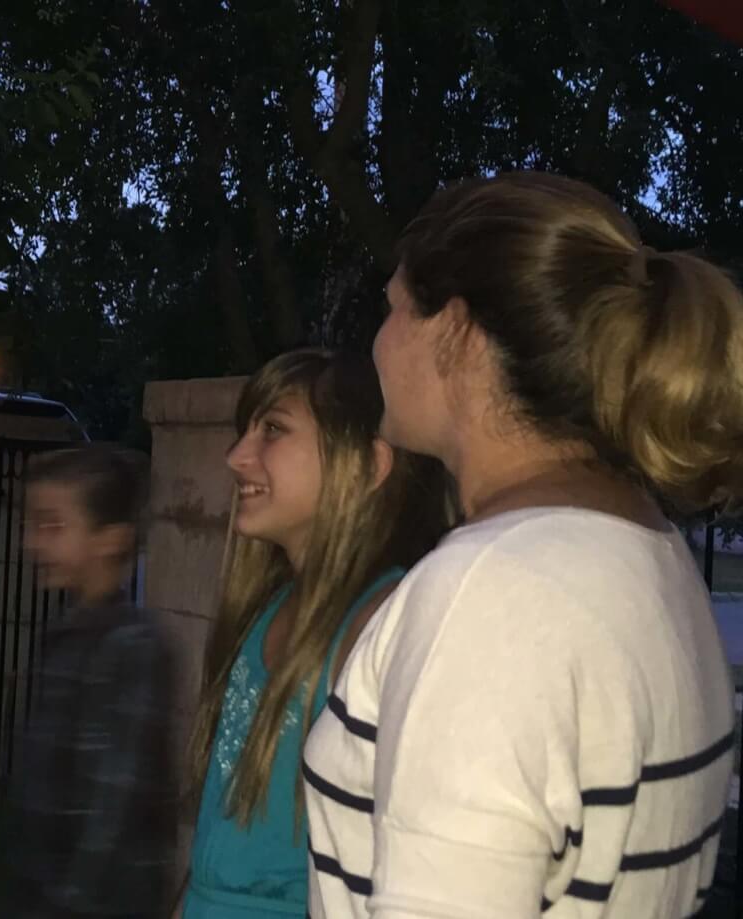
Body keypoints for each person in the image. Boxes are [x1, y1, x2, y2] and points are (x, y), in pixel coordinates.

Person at [304, 171, 743, 918]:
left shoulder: (489, 594)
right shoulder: (650, 554)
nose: (376, 342)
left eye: (395, 308)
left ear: (458, 334)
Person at [177, 350, 453, 918]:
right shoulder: (266, 609)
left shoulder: (378, 624)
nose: (236, 457)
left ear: (369, 465)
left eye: (272, 429)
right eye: (245, 431)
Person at [0, 444, 179, 918]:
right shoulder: (66, 635)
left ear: (111, 539)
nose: (34, 543)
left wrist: (67, 904)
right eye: (32, 526)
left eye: (53, 526)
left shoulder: (133, 648)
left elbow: (112, 809)